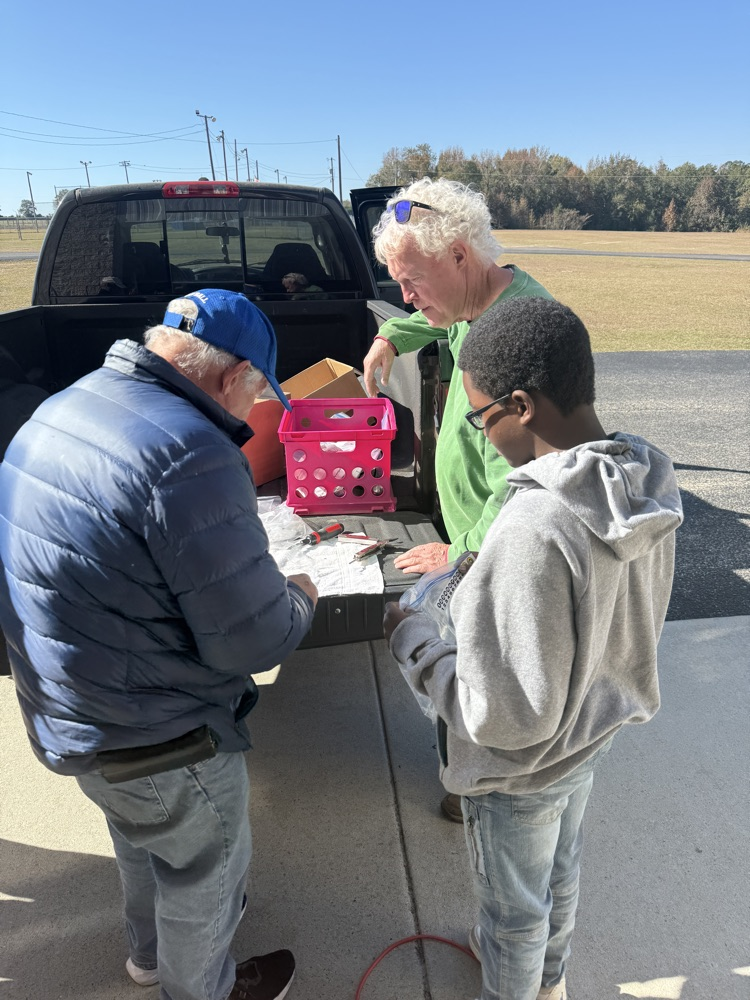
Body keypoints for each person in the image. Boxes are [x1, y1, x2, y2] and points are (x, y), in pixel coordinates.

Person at [0, 289, 318, 1000]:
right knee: (204, 870)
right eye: (257, 393)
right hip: (160, 732)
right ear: (231, 376)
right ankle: (201, 987)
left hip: (69, 710)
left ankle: (148, 956)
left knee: (141, 831)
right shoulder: (193, 454)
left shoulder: (67, 404)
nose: (253, 412)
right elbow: (255, 639)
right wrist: (301, 592)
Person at [384, 297, 683, 1000]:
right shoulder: (644, 479)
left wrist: (416, 641)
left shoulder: (532, 525)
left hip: (517, 774)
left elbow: (505, 718)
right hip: (590, 734)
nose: (483, 436)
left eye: (481, 417)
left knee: (513, 911)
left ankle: (516, 983)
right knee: (559, 872)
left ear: (521, 405)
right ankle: (549, 982)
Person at [364, 177, 554, 823]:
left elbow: (535, 474)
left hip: (493, 543)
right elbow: (433, 318)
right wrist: (395, 335)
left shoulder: (520, 335)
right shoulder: (468, 306)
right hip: (470, 527)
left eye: (411, 281)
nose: (405, 297)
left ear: (460, 256)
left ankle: (474, 790)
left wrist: (466, 550)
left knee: (477, 664)